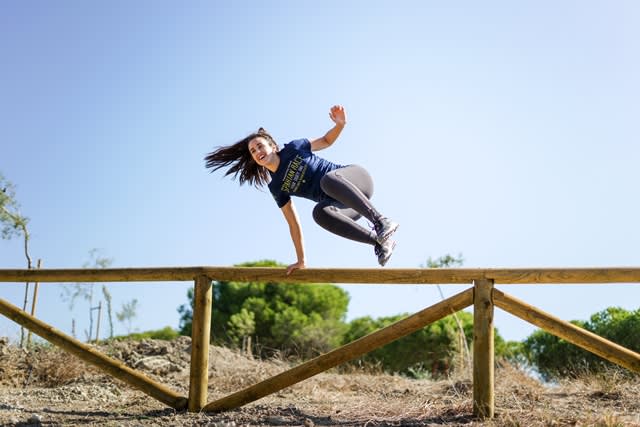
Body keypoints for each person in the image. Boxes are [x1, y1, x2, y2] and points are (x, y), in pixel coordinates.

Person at [204, 105, 398, 274]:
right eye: (253, 151)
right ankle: (379, 242)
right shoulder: (276, 186)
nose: (257, 152)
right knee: (319, 213)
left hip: (355, 181)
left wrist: (339, 125)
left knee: (327, 181)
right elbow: (293, 223)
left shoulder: (294, 148)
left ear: (272, 146)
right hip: (348, 205)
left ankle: (381, 221)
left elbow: (326, 141)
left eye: (260, 146)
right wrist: (301, 260)